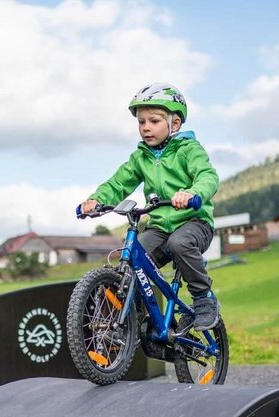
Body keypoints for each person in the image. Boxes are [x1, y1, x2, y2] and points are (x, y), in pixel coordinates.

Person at [79, 82, 221, 331]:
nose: (146, 127)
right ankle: (136, 323)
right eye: (141, 122)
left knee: (180, 243)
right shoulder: (140, 157)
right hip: (158, 226)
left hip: (194, 222)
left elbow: (207, 177)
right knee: (134, 257)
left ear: (174, 124)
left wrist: (192, 193)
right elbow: (118, 183)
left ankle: (204, 299)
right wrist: (96, 200)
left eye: (154, 121)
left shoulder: (189, 150)